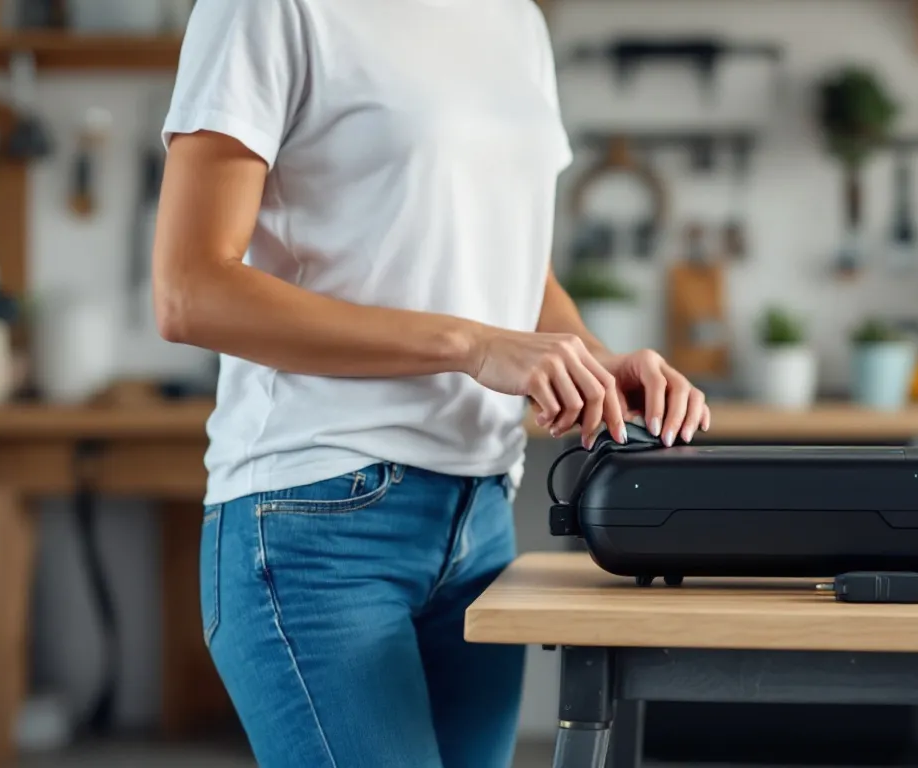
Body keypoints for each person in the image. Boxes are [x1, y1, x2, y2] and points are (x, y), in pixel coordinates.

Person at [151, 1, 710, 766]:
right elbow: (190, 290)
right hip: (314, 514)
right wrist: (469, 345)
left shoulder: (514, 20)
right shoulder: (271, 8)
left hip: (479, 515)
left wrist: (591, 360)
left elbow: (510, 261)